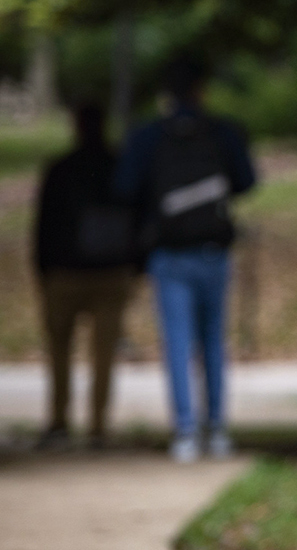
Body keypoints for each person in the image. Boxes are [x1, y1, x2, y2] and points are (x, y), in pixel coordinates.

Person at [115, 57, 257, 462]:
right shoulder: (222, 132)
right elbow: (247, 181)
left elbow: (125, 187)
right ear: (200, 89)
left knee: (178, 342)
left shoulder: (148, 136)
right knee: (213, 341)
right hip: (214, 250)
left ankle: (186, 431)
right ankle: (217, 429)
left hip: (168, 253)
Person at [33, 104, 139, 449]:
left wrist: (42, 269)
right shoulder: (118, 166)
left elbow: (43, 226)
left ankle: (60, 421)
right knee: (103, 352)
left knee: (60, 350)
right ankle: (97, 425)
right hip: (110, 272)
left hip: (65, 273)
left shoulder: (61, 169)